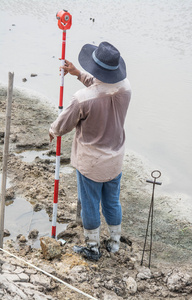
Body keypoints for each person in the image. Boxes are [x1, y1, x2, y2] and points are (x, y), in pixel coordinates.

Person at [49, 41, 131, 261]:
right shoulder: (126, 88)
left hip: (91, 163)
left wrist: (52, 130)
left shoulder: (82, 99)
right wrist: (78, 74)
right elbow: (103, 87)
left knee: (90, 204)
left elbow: (63, 124)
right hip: (115, 159)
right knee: (112, 201)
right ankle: (114, 244)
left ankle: (92, 247)